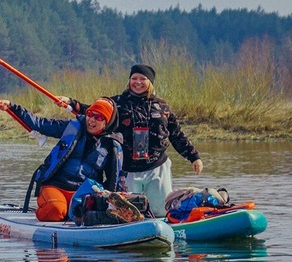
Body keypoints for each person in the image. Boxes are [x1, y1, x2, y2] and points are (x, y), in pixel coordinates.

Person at [62, 64, 203, 217]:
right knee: (126, 213)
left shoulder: (162, 106)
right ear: (129, 81)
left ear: (150, 82)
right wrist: (71, 103)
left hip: (157, 167)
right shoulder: (116, 103)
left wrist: (194, 157)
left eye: (143, 79)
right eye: (134, 78)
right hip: (127, 169)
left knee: (161, 211)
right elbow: (93, 112)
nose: (138, 82)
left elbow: (176, 134)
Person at [0, 97, 123, 222]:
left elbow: (113, 182)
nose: (91, 120)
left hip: (84, 194)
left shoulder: (112, 146)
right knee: (55, 210)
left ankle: (69, 213)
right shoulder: (70, 127)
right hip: (55, 186)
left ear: (107, 123)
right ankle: (54, 210)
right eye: (89, 114)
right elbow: (39, 124)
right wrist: (13, 107)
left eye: (99, 117)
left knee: (91, 216)